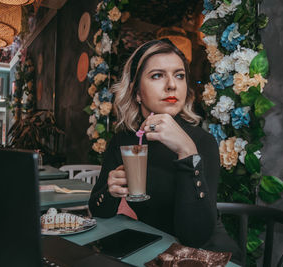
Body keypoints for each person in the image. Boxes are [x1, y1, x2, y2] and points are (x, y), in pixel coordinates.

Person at [89, 39, 240, 255]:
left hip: (207, 255)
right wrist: (110, 192)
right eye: (157, 75)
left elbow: (195, 237)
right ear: (136, 92)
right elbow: (98, 210)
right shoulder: (123, 142)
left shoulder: (201, 141)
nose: (172, 85)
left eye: (179, 75)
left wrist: (187, 152)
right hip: (154, 249)